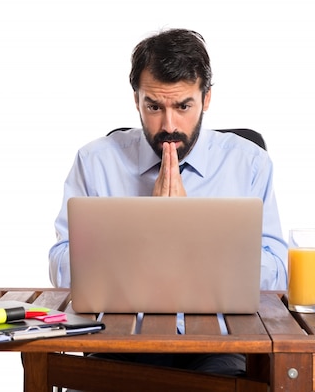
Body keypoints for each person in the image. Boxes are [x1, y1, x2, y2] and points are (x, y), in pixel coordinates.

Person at [48, 28, 287, 379]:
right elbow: (60, 266)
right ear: (136, 100)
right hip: (119, 342)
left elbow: (277, 274)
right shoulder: (95, 161)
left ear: (206, 99)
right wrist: (147, 231)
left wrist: (191, 230)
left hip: (221, 345)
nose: (169, 125)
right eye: (154, 106)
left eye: (183, 106)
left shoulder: (249, 164)